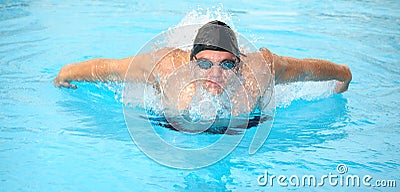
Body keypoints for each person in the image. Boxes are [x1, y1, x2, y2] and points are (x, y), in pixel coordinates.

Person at [54, 20, 352, 114]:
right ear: (191, 62)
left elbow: (312, 69)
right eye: (206, 63)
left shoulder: (261, 71)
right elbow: (110, 68)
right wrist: (65, 74)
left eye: (227, 64)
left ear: (239, 63)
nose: (216, 74)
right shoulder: (165, 68)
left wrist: (344, 76)